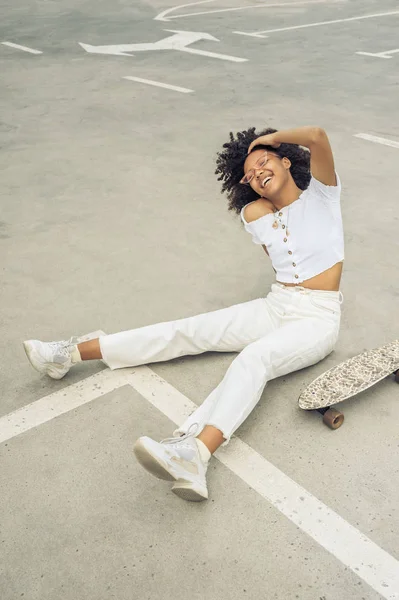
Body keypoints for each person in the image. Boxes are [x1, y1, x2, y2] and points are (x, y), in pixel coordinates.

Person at [23, 126, 344, 503]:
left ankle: (196, 453)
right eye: (251, 174)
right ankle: (69, 354)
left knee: (255, 358)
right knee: (190, 330)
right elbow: (279, 262)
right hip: (277, 304)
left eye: (264, 162)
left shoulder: (323, 197)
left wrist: (267, 140)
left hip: (317, 318)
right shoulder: (256, 215)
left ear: (286, 159)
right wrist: (262, 192)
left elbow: (319, 136)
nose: (258, 174)